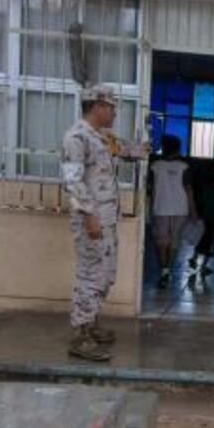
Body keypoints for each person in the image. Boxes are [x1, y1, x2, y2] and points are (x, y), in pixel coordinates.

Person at [61, 84, 147, 362]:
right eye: (111, 107)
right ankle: (80, 335)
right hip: (92, 221)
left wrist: (142, 148)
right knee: (91, 275)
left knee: (106, 274)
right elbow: (72, 181)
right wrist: (89, 217)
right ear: (97, 106)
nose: (114, 112)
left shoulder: (99, 137)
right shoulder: (76, 138)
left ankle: (91, 323)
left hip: (107, 220)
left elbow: (124, 150)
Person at [149, 135, 194, 288]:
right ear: (178, 148)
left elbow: (152, 189)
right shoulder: (184, 165)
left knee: (162, 241)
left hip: (160, 208)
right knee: (175, 241)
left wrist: (151, 209)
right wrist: (193, 210)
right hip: (180, 208)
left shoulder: (155, 165)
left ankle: (164, 270)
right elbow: (188, 189)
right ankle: (168, 268)